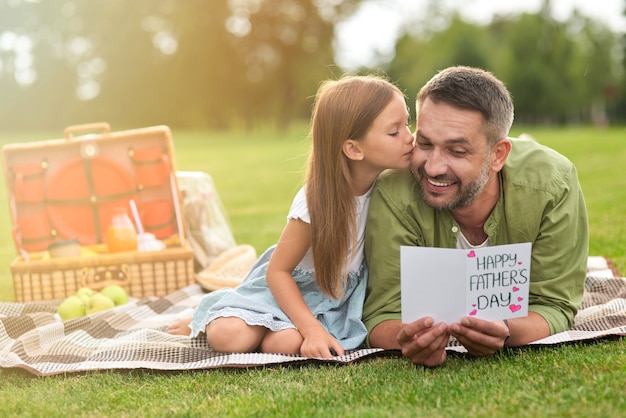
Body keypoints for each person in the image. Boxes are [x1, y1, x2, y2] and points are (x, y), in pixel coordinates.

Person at [168, 74, 414, 358]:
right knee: (229, 337)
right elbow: (278, 271)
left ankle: (265, 326)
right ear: (354, 149)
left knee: (282, 345)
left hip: (337, 296)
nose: (411, 138)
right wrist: (311, 330)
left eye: (407, 123)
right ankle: (214, 311)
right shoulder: (317, 201)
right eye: (395, 132)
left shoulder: (391, 184)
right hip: (290, 287)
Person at [362, 66, 589, 367]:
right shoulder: (394, 190)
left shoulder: (553, 184)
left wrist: (507, 331)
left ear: (498, 155)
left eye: (456, 151)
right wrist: (407, 338)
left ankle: (525, 141)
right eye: (425, 143)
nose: (432, 168)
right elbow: (381, 315)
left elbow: (555, 305)